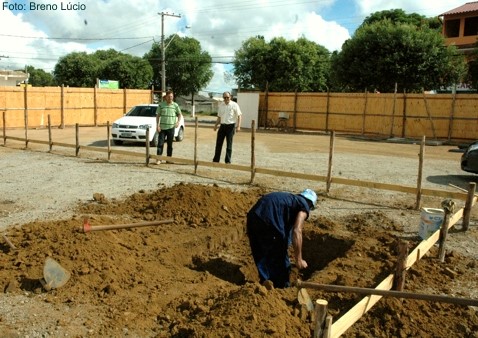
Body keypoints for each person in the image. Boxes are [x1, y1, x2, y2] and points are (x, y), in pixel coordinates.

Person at [246, 189, 318, 288]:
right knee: (280, 251)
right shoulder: (303, 205)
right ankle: (283, 286)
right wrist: (299, 259)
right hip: (269, 219)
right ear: (310, 205)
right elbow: (297, 230)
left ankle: (266, 281)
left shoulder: (289, 200)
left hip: (253, 216)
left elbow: (287, 231)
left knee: (260, 252)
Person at [213, 92, 242, 164]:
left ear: (230, 97)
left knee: (229, 144)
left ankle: (228, 161)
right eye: (224, 97)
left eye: (227, 97)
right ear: (223, 98)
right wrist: (216, 125)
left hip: (230, 126)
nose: (226, 99)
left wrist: (238, 126)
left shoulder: (234, 105)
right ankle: (216, 160)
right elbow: (219, 117)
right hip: (222, 126)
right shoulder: (221, 105)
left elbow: (239, 116)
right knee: (218, 144)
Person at [155, 90, 182, 164]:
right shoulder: (161, 105)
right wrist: (157, 125)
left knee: (170, 144)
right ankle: (159, 159)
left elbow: (179, 114)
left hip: (171, 128)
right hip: (162, 128)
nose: (170, 98)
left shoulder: (175, 105)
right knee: (160, 144)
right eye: (169, 96)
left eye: (171, 96)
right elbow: (158, 116)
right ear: (166, 97)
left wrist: (178, 122)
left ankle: (168, 159)